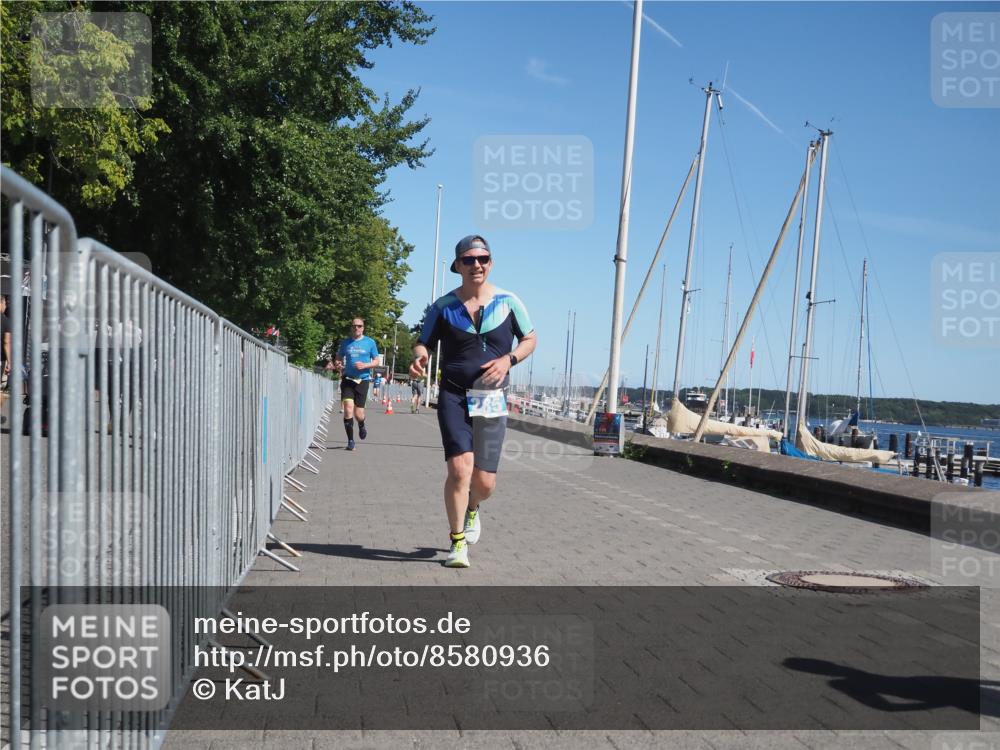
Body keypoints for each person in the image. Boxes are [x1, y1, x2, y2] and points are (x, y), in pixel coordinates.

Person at [409, 235, 536, 568]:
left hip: (492, 400)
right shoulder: (443, 307)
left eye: (483, 258)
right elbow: (423, 343)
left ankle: (473, 509)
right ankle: (457, 543)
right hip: (453, 394)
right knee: (459, 468)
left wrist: (509, 360)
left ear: (490, 263)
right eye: (469, 260)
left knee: (484, 482)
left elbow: (531, 338)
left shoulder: (510, 302)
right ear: (458, 266)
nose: (476, 264)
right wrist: (419, 358)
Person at [334, 318, 380, 451]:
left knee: (358, 413)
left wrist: (365, 365)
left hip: (363, 380)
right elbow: (338, 358)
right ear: (351, 327)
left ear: (363, 328)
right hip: (348, 379)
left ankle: (361, 424)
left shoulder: (370, 342)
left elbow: (376, 361)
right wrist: (338, 364)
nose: (356, 328)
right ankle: (350, 441)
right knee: (348, 409)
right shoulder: (345, 343)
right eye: (354, 326)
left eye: (359, 326)